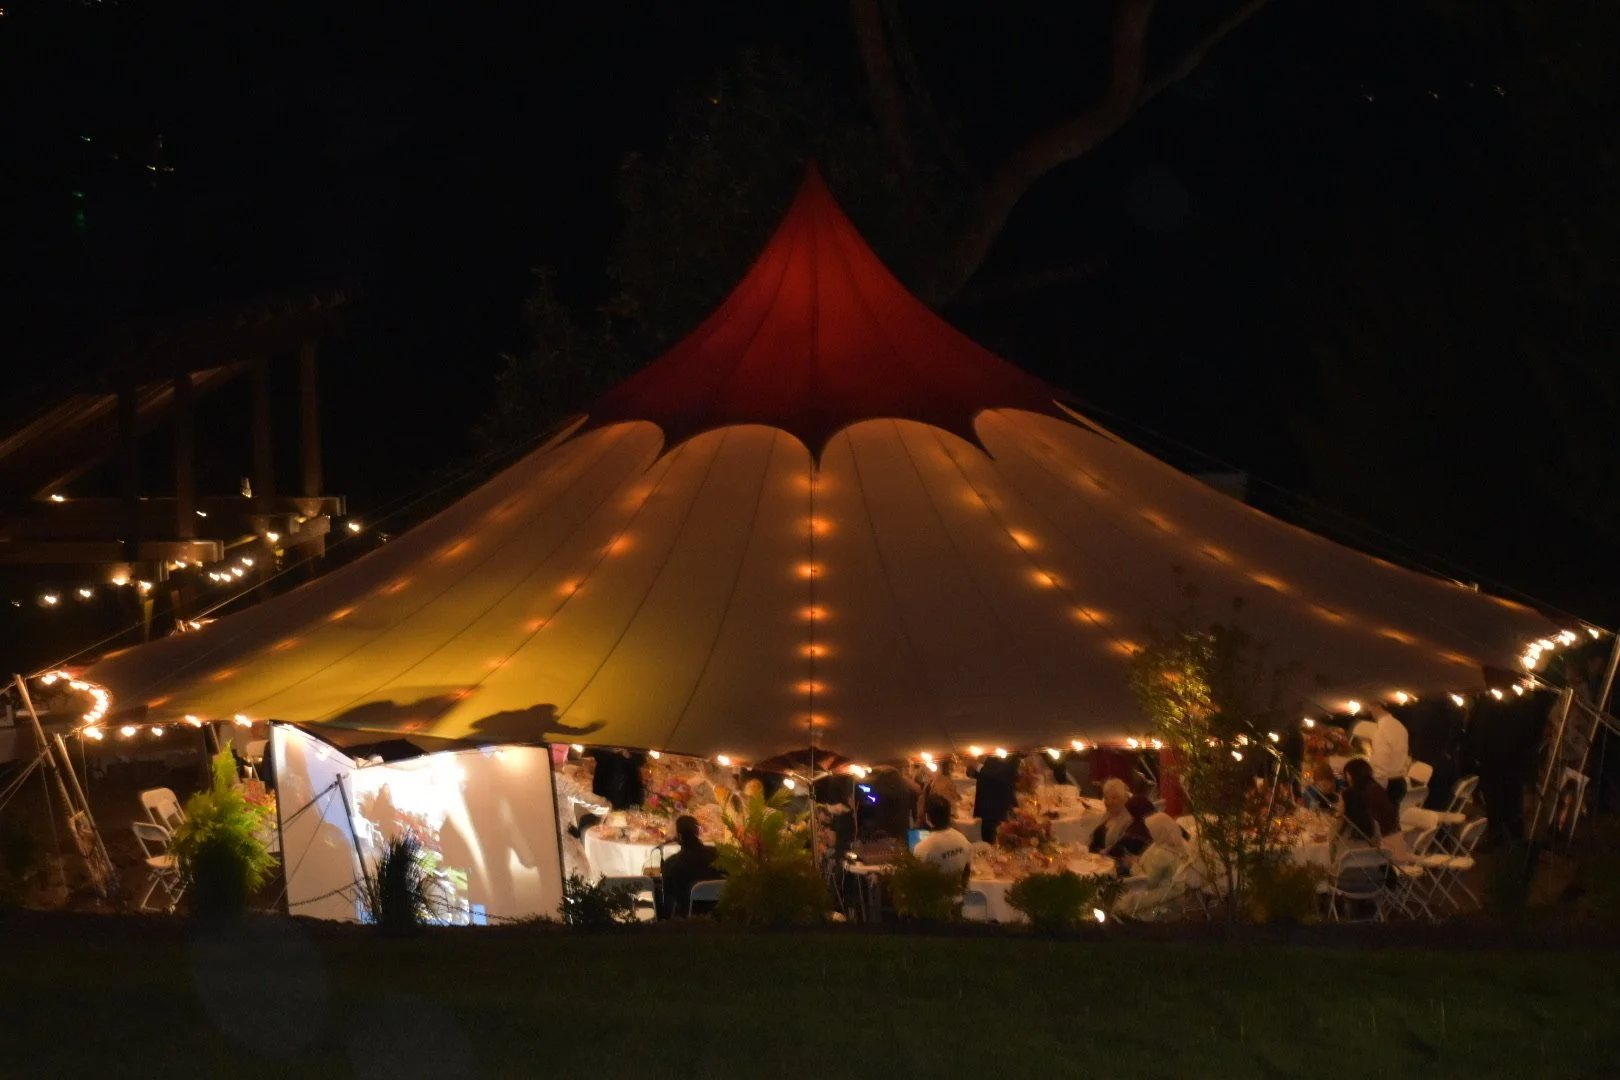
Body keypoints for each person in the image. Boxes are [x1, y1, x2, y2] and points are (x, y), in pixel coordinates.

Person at [1114, 813, 1189, 919]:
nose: (1149, 833)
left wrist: (1132, 865)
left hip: (1164, 894)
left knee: (1117, 895)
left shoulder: (1162, 853)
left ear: (1159, 831)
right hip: (1178, 891)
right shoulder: (1176, 843)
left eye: (1151, 830)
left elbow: (1148, 882)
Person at [658, 815, 720, 919]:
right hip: (717, 911)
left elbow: (668, 893)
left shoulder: (672, 863)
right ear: (697, 832)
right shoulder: (717, 854)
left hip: (687, 914)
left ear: (678, 836)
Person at [912, 796, 971, 880]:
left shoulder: (922, 848)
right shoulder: (963, 840)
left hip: (935, 892)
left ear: (927, 817)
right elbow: (967, 873)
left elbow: (918, 880)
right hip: (959, 891)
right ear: (949, 816)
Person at [1088, 779, 1150, 857]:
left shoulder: (1128, 819)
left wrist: (1104, 853)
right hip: (1094, 858)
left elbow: (1120, 850)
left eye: (1114, 798)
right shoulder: (1108, 814)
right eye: (1106, 798)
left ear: (1124, 799)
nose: (1109, 802)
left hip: (1109, 861)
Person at [1367, 705, 1411, 809]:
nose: (1369, 709)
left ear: (1376, 707)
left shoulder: (1381, 732)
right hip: (1400, 781)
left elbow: (1381, 765)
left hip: (1387, 785)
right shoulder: (1400, 726)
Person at [972, 753, 1019, 845]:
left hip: (999, 808)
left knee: (1000, 845)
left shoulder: (1006, 751)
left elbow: (998, 775)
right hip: (988, 808)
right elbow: (980, 775)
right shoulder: (990, 750)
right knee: (988, 842)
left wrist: (977, 766)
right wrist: (974, 766)